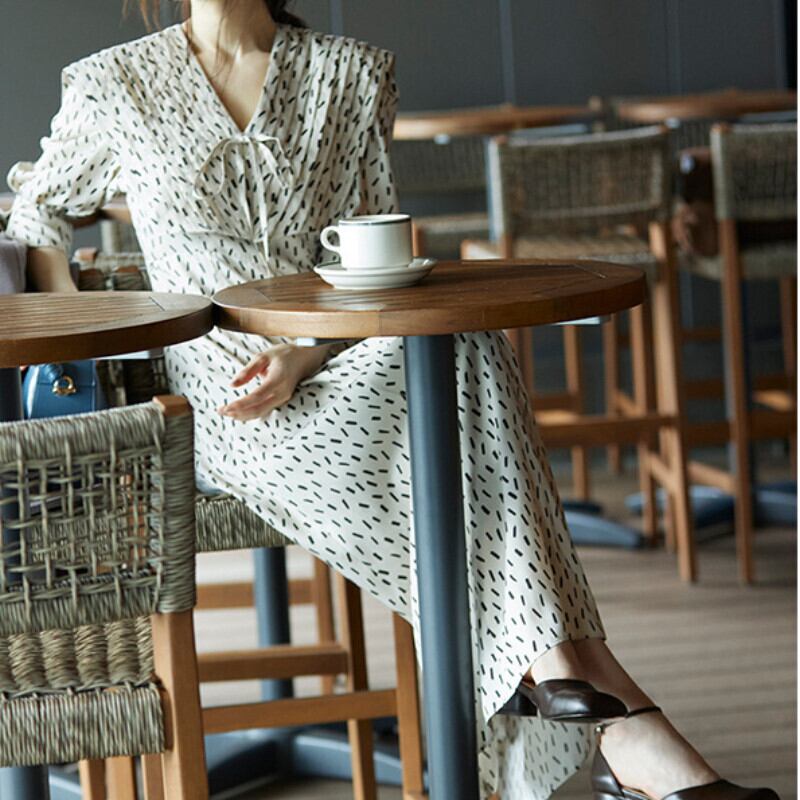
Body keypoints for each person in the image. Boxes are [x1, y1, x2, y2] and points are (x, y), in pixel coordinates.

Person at [5, 2, 779, 798]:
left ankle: (572, 685)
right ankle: (598, 701)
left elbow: (373, 254)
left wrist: (308, 352)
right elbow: (37, 210)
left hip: (332, 357)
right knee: (452, 417)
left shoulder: (348, 73)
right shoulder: (114, 83)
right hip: (221, 402)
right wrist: (93, 334)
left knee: (463, 343)